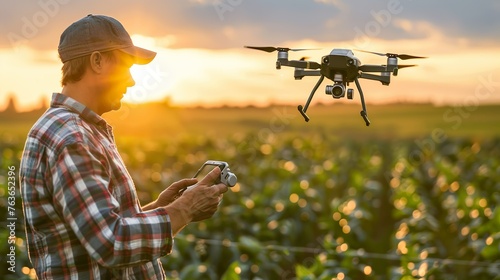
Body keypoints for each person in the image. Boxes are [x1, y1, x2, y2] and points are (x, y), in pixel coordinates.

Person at [19, 14, 228, 279]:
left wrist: (158, 208)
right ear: (96, 61)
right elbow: (110, 243)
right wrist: (183, 209)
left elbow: (90, 228)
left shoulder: (74, 129)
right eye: (126, 67)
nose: (131, 81)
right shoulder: (72, 138)